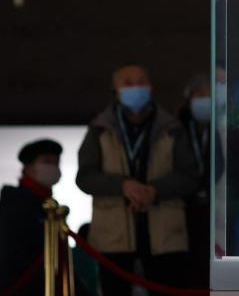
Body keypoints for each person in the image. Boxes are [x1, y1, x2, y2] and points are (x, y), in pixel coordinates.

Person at [76, 64, 198, 296]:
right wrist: (122, 186)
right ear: (115, 91)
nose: (136, 87)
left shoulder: (172, 128)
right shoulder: (99, 130)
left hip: (165, 235)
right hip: (114, 237)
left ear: (151, 88)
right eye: (128, 83)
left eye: (141, 82)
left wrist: (155, 191)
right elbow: (85, 178)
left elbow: (190, 177)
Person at [0, 138, 63, 296]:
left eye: (56, 162)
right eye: (46, 161)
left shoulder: (48, 205)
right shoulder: (15, 204)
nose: (52, 167)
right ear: (29, 167)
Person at [178, 72, 224, 285]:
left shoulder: (221, 127)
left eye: (208, 95)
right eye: (199, 95)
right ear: (189, 100)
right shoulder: (175, 130)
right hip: (184, 207)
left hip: (215, 207)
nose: (204, 100)